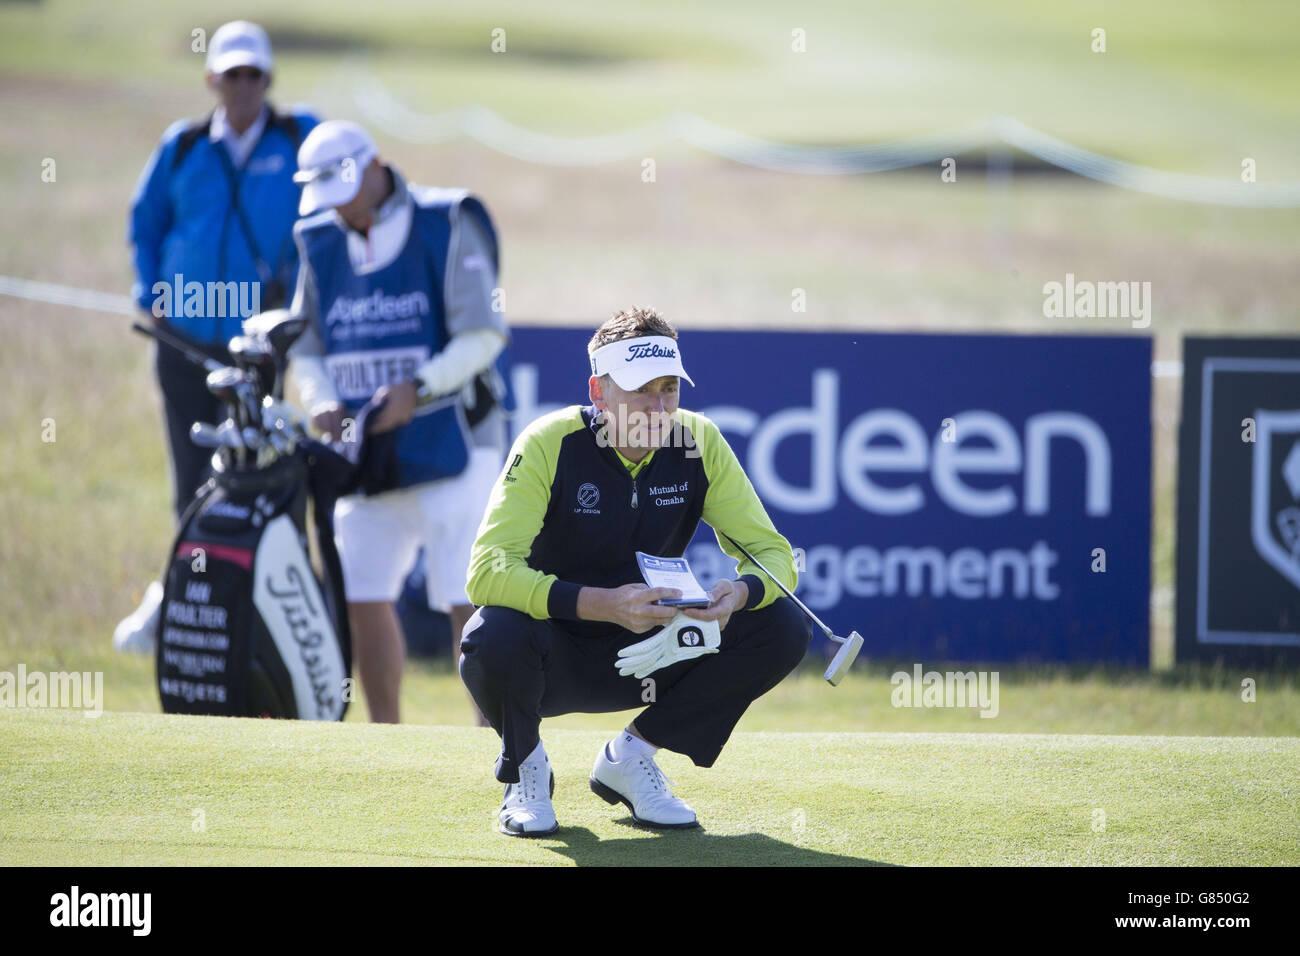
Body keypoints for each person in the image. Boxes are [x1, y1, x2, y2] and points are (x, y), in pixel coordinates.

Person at [460, 307, 811, 836]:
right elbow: (485, 572)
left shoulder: (698, 442)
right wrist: (601, 604)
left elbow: (775, 556)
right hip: (550, 657)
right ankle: (527, 769)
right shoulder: (548, 442)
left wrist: (738, 594)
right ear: (599, 392)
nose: (658, 406)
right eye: (640, 389)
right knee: (490, 633)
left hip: (653, 653)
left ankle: (633, 755)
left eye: (669, 388)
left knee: (780, 625)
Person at [286, 120, 510, 725]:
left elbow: (485, 334)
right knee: (361, 592)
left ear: (374, 168)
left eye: (344, 195)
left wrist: (421, 387)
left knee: (469, 600)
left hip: (456, 441)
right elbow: (304, 348)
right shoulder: (317, 238)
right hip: (365, 451)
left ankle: (493, 744)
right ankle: (385, 743)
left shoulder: (445, 220)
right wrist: (320, 398)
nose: (340, 213)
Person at [116, 20, 318, 653]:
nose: (243, 86)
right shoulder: (183, 146)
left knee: (257, 473)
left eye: (253, 74)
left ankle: (259, 604)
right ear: (212, 79)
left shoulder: (296, 138)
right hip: (181, 342)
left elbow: (323, 221)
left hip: (254, 350)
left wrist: (297, 291)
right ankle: (187, 602)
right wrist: (150, 294)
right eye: (231, 74)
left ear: (267, 79)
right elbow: (145, 223)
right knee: (190, 475)